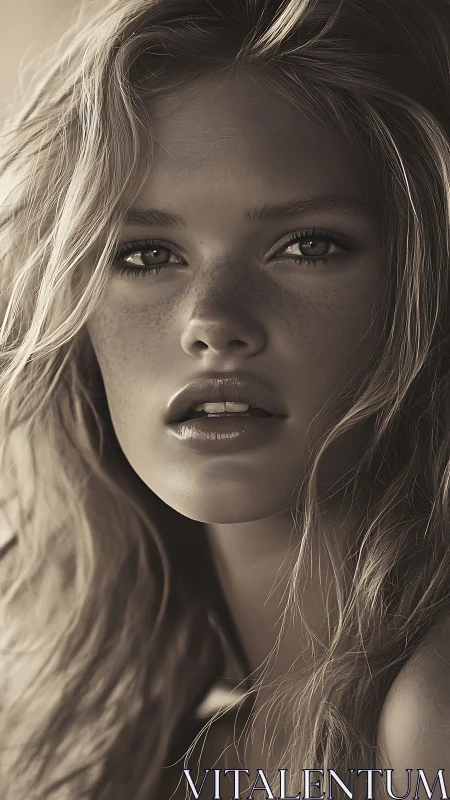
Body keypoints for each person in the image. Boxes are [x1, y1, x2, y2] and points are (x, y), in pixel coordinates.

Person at [0, 0, 449, 797]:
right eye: (146, 253)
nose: (213, 321)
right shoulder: (162, 748)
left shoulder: (430, 712)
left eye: (307, 246)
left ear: (422, 285)